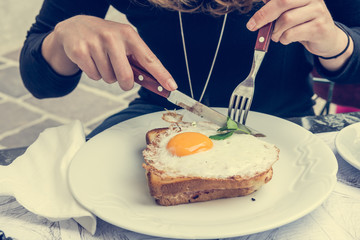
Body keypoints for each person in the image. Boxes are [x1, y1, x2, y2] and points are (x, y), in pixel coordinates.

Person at [20, 0, 360, 138]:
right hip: (157, 115)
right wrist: (62, 36)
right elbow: (41, 83)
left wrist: (337, 44)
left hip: (285, 120)